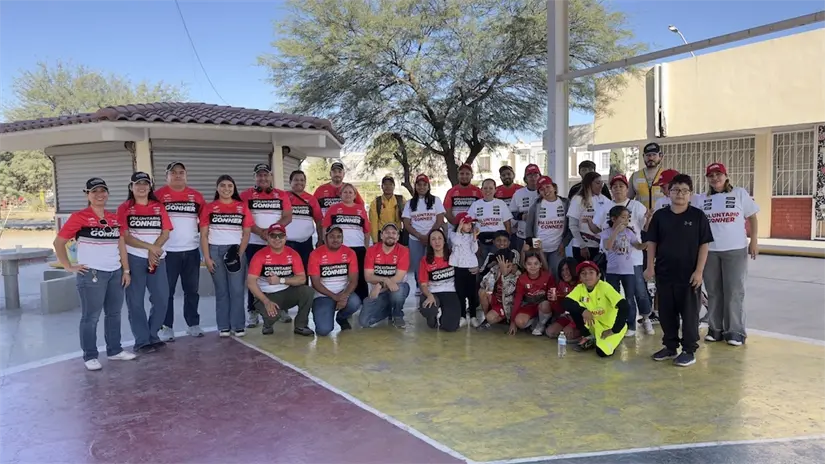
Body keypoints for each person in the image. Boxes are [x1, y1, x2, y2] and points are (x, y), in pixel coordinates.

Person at [53, 177, 136, 371]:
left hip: (115, 272)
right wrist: (68, 266)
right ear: (87, 195)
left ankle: (114, 350)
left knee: (114, 314)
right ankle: (90, 355)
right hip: (92, 274)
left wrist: (125, 270)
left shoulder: (114, 218)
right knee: (91, 317)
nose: (99, 195)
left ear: (107, 193)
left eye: (103, 191)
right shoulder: (79, 217)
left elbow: (121, 246)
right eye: (94, 191)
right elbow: (59, 242)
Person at [645, 174, 713, 367]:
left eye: (684, 191)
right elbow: (652, 242)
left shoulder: (698, 216)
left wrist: (699, 271)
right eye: (675, 190)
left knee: (690, 314)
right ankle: (670, 346)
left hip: (689, 275)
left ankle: (689, 350)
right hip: (665, 273)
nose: (680, 194)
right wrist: (650, 266)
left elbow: (704, 245)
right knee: (666, 313)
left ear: (690, 194)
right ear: (669, 193)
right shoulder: (660, 216)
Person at [699, 162, 759, 346]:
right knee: (714, 291)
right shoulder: (702, 199)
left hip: (735, 249)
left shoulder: (739, 193)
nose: (715, 178)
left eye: (718, 174)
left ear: (726, 176)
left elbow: (752, 217)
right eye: (711, 175)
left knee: (734, 291)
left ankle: (735, 331)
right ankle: (715, 329)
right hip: (710, 251)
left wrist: (754, 241)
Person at [117, 172, 173, 354]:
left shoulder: (159, 207)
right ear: (131, 187)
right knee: (135, 301)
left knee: (161, 298)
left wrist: (154, 251)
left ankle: (153, 335)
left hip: (157, 259)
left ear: (150, 187)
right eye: (137, 184)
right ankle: (141, 341)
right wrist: (150, 247)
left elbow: (166, 233)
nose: (142, 187)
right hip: (134, 258)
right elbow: (125, 236)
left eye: (145, 184)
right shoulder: (124, 208)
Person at [591, 175, 653, 335]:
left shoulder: (637, 206)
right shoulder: (605, 206)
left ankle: (646, 318)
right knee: (616, 293)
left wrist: (648, 221)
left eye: (621, 186)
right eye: (614, 186)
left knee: (639, 290)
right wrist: (588, 224)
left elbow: (645, 228)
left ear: (627, 188)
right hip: (613, 260)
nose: (618, 189)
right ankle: (619, 323)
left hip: (634, 258)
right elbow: (597, 228)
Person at [155, 161, 206, 341]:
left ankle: (193, 324)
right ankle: (166, 326)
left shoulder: (197, 196)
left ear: (186, 175)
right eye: (173, 172)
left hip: (191, 251)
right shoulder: (158, 196)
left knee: (192, 291)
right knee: (166, 292)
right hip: (167, 253)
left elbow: (204, 224)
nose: (177, 175)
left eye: (181, 172)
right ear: (166, 176)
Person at [200, 175, 254, 337]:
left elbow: (246, 233)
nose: (226, 189)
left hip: (235, 251)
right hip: (215, 251)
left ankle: (238, 325)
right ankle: (223, 326)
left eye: (230, 186)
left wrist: (239, 254)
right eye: (222, 185)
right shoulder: (209, 208)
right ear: (217, 188)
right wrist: (207, 257)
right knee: (221, 290)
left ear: (234, 188)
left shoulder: (241, 207)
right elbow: (204, 235)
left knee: (237, 290)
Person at [240, 163, 293, 328]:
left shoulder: (281, 194)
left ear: (271, 177)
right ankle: (253, 311)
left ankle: (282, 308)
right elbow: (243, 218)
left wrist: (272, 233)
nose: (262, 178)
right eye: (259, 175)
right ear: (254, 177)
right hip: (254, 243)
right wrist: (259, 232)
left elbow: (288, 216)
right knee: (254, 277)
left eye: (265, 175)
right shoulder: (245, 195)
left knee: (280, 274)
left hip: (276, 242)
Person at [246, 224, 315, 336]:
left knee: (308, 291)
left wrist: (281, 280)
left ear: (285, 237)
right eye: (273, 235)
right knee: (273, 316)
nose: (277, 239)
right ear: (268, 238)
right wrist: (266, 301)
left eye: (281, 235)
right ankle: (267, 324)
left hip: (287, 292)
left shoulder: (292, 254)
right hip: (266, 294)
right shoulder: (259, 255)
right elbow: (251, 282)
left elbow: (302, 279)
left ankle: (301, 326)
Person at [561, 261, 629, 357]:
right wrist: (583, 310)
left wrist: (614, 330)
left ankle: (613, 337)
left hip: (610, 326)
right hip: (594, 323)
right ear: (580, 278)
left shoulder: (605, 287)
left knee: (601, 352)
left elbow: (624, 306)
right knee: (574, 306)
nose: (587, 276)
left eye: (591, 272)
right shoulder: (580, 288)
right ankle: (588, 336)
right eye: (583, 273)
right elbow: (566, 302)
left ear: (598, 275)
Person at [599, 205, 647, 337]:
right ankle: (614, 324)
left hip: (628, 271)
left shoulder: (629, 232)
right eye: (623, 217)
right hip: (612, 271)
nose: (626, 221)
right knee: (613, 299)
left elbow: (637, 245)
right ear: (613, 219)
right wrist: (616, 232)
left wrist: (646, 244)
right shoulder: (606, 232)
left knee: (629, 298)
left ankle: (631, 325)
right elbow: (608, 246)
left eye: (627, 218)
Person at [308, 225, 361, 336]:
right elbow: (315, 283)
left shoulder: (350, 253)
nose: (335, 239)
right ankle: (323, 312)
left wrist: (344, 296)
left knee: (355, 302)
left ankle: (341, 317)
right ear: (326, 238)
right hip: (323, 295)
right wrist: (334, 297)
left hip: (343, 293)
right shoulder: (315, 254)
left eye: (339, 236)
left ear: (342, 238)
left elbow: (353, 280)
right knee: (323, 331)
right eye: (332, 236)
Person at [323, 183, 371, 300]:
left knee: (360, 276)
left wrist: (366, 247)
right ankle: (343, 299)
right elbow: (325, 228)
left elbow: (366, 231)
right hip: (339, 248)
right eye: (345, 192)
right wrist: (326, 244)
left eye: (350, 192)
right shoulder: (333, 209)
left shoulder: (360, 209)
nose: (348, 194)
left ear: (355, 195)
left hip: (358, 247)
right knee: (343, 275)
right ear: (340, 194)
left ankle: (362, 301)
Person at [360, 223, 411, 328]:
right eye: (387, 232)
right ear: (381, 235)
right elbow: (368, 276)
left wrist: (380, 285)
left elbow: (398, 278)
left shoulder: (403, 251)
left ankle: (397, 314)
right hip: (379, 292)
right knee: (364, 322)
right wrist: (385, 280)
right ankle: (389, 311)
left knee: (397, 293)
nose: (390, 235)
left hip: (395, 287)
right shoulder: (372, 250)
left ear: (398, 237)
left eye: (393, 233)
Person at [401, 174, 446, 291]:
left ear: (428, 186)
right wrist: (419, 236)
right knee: (417, 264)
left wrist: (430, 236)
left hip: (433, 238)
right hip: (415, 239)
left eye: (424, 185)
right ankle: (419, 286)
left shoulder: (436, 200)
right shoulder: (410, 203)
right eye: (419, 185)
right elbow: (406, 223)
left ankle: (432, 285)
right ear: (415, 186)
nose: (421, 187)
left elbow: (440, 219)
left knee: (432, 261)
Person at [524, 175, 568, 280]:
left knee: (557, 273)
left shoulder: (565, 203)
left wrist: (564, 244)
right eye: (542, 189)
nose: (546, 191)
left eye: (548, 187)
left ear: (554, 187)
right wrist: (535, 247)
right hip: (540, 247)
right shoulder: (536, 205)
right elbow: (529, 227)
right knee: (540, 275)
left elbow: (570, 226)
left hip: (557, 248)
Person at [418, 229, 462, 332]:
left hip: (450, 292)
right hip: (432, 292)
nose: (437, 242)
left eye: (439, 238)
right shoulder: (425, 260)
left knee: (451, 327)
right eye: (433, 239)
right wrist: (429, 295)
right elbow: (423, 284)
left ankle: (444, 316)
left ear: (444, 241)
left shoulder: (453, 255)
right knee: (429, 309)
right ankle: (432, 318)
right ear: (430, 243)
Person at [567, 172, 609, 263]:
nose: (601, 186)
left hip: (599, 246)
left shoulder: (604, 199)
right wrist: (582, 245)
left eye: (602, 183)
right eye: (598, 183)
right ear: (589, 184)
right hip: (582, 247)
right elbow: (572, 225)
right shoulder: (578, 199)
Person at [285, 170, 324, 271]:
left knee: (305, 271)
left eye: (302, 180)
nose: (299, 182)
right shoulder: (283, 197)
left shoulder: (311, 199)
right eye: (296, 180)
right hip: (285, 243)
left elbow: (319, 221)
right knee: (288, 272)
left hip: (306, 244)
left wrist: (320, 239)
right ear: (290, 182)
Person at [510, 251, 555, 336]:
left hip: (543, 306)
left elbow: (553, 297)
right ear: (525, 265)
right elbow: (517, 300)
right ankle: (535, 321)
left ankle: (541, 324)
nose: (533, 267)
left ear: (540, 264)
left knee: (545, 305)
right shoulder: (521, 279)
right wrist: (512, 322)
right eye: (529, 264)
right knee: (519, 322)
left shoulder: (548, 276)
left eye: (536, 263)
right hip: (529, 305)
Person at [469, 178, 513, 264]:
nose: (488, 190)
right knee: (482, 265)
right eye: (485, 188)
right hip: (481, 241)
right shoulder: (475, 204)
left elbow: (507, 224)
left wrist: (508, 241)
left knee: (499, 264)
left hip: (499, 241)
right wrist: (474, 242)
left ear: (495, 190)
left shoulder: (501, 203)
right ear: (481, 190)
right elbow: (470, 224)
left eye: (490, 188)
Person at [477, 249, 521, 329]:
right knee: (482, 292)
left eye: (508, 266)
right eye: (501, 266)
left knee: (491, 318)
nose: (505, 268)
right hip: (495, 299)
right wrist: (493, 278)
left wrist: (505, 276)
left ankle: (500, 318)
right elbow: (483, 284)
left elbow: (508, 292)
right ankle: (486, 319)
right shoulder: (495, 269)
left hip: (506, 304)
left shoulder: (516, 274)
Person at [449, 212, 479, 327]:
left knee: (472, 293)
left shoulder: (471, 236)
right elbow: (457, 242)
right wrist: (459, 230)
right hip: (458, 267)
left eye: (470, 224)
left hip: (470, 267)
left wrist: (474, 238)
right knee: (460, 293)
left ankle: (473, 316)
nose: (469, 226)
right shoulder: (453, 235)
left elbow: (474, 250)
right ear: (460, 224)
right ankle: (462, 316)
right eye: (466, 224)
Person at [545, 257, 581, 340]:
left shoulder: (581, 283)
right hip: (567, 316)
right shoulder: (562, 283)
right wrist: (554, 301)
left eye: (568, 269)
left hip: (581, 318)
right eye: (562, 270)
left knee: (566, 335)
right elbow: (561, 310)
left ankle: (585, 334)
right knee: (550, 332)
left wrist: (572, 325)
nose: (564, 273)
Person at [510, 164, 542, 252]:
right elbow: (511, 213)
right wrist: (521, 216)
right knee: (522, 257)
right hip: (522, 235)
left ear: (540, 176)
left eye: (535, 175)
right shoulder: (518, 193)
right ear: (525, 178)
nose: (533, 178)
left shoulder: (544, 192)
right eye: (530, 175)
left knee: (538, 256)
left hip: (538, 236)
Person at [628, 142, 666, 211]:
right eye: (648, 155)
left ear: (660, 156)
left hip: (661, 216)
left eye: (654, 155)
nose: (651, 158)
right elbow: (628, 200)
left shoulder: (667, 175)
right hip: (641, 216)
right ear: (643, 156)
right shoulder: (635, 176)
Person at [369, 175, 406, 244]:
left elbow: (406, 219)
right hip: (382, 234)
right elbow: (373, 223)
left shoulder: (401, 200)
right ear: (382, 187)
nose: (388, 187)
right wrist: (375, 241)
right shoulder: (376, 202)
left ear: (394, 186)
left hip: (397, 234)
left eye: (390, 184)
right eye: (385, 184)